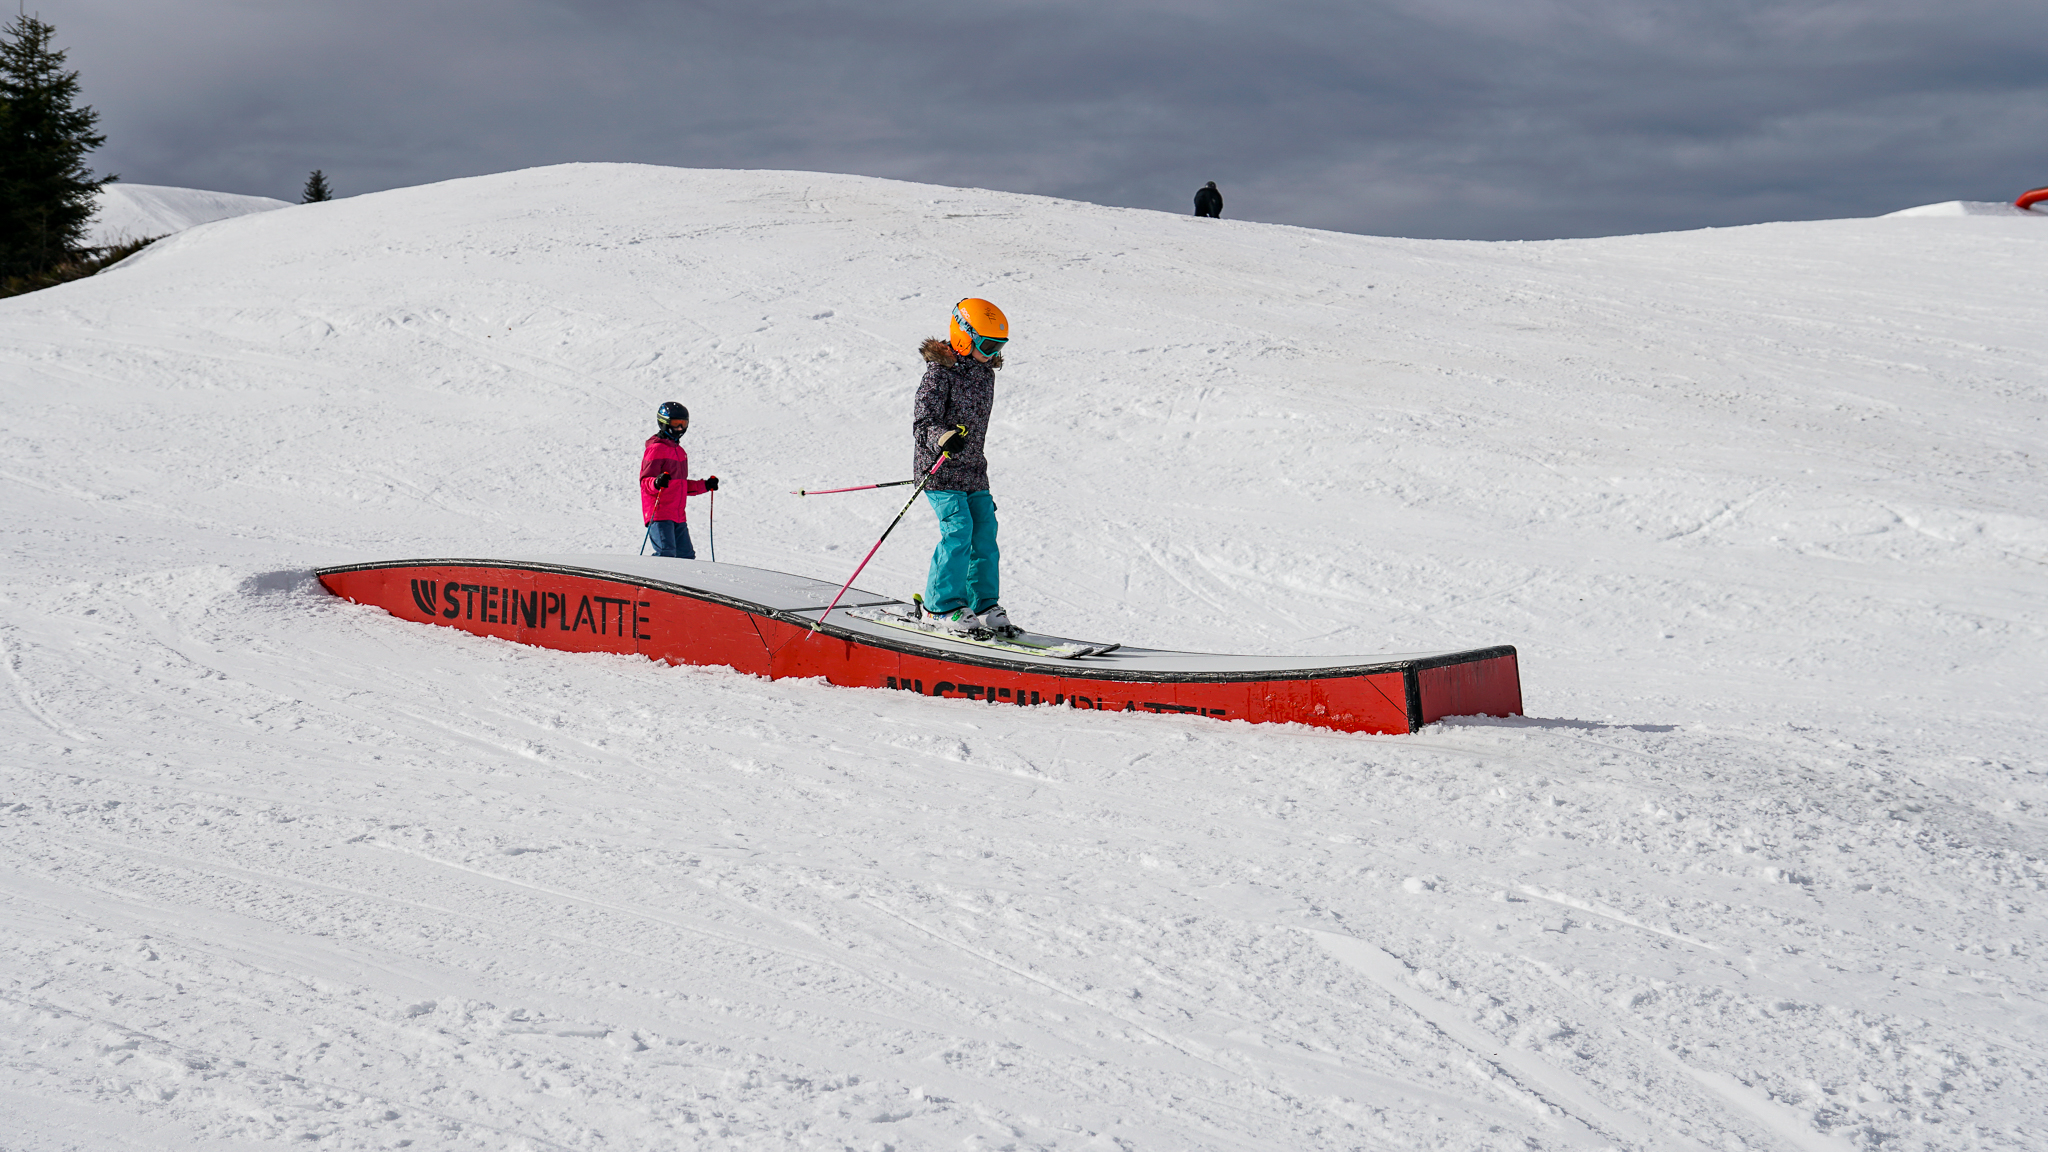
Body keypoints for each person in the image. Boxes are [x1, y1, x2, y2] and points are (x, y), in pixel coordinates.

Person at [913, 299, 1013, 635]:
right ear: (964, 338)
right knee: (957, 532)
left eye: (998, 346)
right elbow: (923, 421)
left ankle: (983, 605)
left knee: (984, 532)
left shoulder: (985, 374)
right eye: (987, 345)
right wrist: (942, 437)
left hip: (973, 471)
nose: (992, 352)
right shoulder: (939, 374)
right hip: (940, 470)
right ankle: (939, 608)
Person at [639, 401, 717, 559]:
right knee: (665, 552)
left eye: (683, 424)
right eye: (676, 424)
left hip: (678, 514)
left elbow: (681, 486)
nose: (680, 429)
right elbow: (645, 482)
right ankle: (654, 580)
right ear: (664, 423)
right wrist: (656, 482)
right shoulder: (655, 449)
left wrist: (705, 485)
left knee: (686, 556)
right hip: (659, 513)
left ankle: (684, 582)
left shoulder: (680, 452)